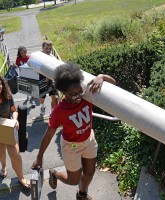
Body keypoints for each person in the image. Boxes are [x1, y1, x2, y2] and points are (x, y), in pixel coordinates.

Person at [32, 63, 116, 200]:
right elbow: (49, 134)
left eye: (79, 92)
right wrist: (39, 157)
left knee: (89, 172)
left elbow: (114, 86)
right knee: (73, 180)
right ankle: (55, 174)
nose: (78, 97)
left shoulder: (86, 92)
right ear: (63, 92)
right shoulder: (59, 111)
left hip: (89, 140)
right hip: (71, 147)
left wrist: (102, 77)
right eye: (73, 94)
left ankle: (82, 194)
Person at [39, 40, 59, 115]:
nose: (48, 50)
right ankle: (42, 106)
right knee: (42, 97)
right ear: (42, 48)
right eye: (46, 48)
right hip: (41, 80)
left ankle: (53, 112)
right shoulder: (38, 56)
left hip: (51, 79)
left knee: (55, 97)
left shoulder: (52, 57)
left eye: (50, 49)